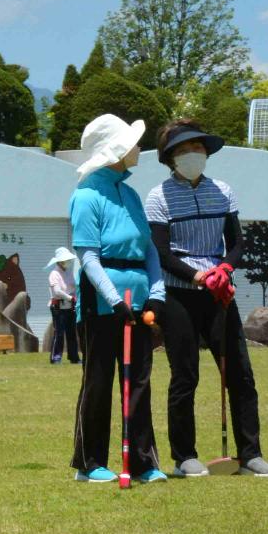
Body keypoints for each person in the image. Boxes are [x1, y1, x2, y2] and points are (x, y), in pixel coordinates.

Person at [145, 120, 268, 478]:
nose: (194, 155)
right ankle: (184, 456)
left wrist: (224, 269)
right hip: (179, 294)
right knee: (185, 375)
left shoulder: (223, 191)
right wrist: (196, 274)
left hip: (219, 291)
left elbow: (236, 243)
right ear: (171, 157)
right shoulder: (158, 197)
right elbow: (160, 251)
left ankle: (250, 454)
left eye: (200, 148)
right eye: (186, 150)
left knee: (240, 373)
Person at [68, 113, 167, 483]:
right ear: (116, 151)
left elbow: (150, 251)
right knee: (99, 380)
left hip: (140, 302)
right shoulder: (86, 196)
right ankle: (89, 462)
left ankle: (144, 462)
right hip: (101, 305)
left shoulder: (131, 195)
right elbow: (89, 258)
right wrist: (114, 299)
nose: (138, 148)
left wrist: (156, 293)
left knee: (139, 380)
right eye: (132, 143)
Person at [45, 246, 80, 365]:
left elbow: (73, 287)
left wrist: (74, 297)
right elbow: (57, 291)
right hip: (58, 308)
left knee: (71, 333)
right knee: (59, 333)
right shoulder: (54, 274)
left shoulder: (69, 273)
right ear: (59, 261)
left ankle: (74, 357)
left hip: (70, 307)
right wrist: (71, 297)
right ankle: (56, 357)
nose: (68, 262)